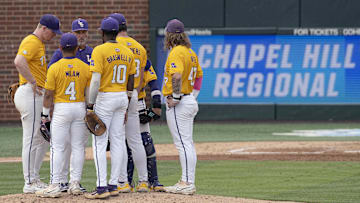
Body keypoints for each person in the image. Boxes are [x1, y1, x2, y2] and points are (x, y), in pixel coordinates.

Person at [84, 17, 136, 199]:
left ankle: (101, 187)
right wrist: (127, 102)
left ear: (103, 33)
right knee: (118, 140)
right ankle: (114, 184)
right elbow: (131, 80)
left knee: (99, 141)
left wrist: (90, 105)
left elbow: (96, 80)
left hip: (105, 97)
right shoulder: (127, 51)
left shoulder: (99, 50)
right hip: (122, 96)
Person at [35, 33, 91, 198]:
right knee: (78, 147)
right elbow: (88, 93)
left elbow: (48, 95)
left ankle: (55, 184)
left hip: (62, 108)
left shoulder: (55, 67)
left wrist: (45, 115)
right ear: (75, 48)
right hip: (79, 107)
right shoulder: (84, 67)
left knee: (57, 147)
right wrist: (89, 109)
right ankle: (75, 183)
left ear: (60, 48)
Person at [13, 14, 62, 194]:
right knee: (32, 137)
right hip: (30, 93)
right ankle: (29, 181)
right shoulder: (32, 41)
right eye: (52, 32)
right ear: (43, 28)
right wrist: (32, 81)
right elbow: (19, 61)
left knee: (41, 137)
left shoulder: (38, 44)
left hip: (36, 95)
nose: (54, 35)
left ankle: (34, 178)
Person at [48, 18, 92, 193]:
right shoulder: (61, 56)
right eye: (78, 32)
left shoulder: (91, 52)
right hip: (79, 105)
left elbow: (49, 85)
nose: (81, 35)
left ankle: (60, 183)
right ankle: (67, 181)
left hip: (66, 106)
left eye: (83, 32)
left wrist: (46, 112)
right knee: (71, 146)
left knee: (63, 146)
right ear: (73, 35)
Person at [162, 19, 203, 195]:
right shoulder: (190, 52)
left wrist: (178, 97)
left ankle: (187, 182)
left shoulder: (176, 52)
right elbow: (200, 76)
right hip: (188, 100)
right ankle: (187, 180)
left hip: (180, 102)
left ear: (170, 35)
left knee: (183, 144)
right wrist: (192, 96)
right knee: (187, 143)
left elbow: (177, 76)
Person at [109, 13, 149, 192]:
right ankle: (143, 182)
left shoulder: (114, 46)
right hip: (135, 96)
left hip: (118, 96)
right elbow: (140, 77)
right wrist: (135, 95)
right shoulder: (139, 47)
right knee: (135, 140)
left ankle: (123, 182)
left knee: (118, 139)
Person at [126, 59, 164, 192]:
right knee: (130, 143)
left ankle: (151, 181)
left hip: (136, 102)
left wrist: (156, 107)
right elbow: (154, 84)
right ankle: (129, 181)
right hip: (128, 102)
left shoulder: (141, 58)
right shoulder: (134, 53)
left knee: (144, 141)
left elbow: (153, 82)